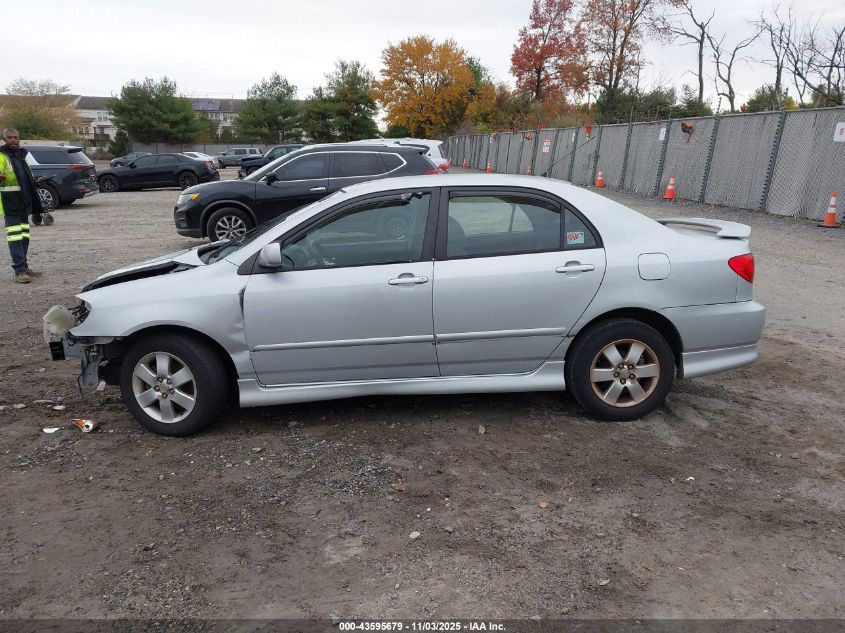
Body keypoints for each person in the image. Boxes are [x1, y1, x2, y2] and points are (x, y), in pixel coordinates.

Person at [0, 128, 43, 283]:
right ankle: (19, 272)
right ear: (4, 139)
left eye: (16, 137)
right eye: (10, 137)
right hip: (10, 202)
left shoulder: (21, 156)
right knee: (15, 237)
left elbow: (24, 178)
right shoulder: (2, 156)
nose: (13, 140)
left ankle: (24, 267)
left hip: (23, 202)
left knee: (24, 236)